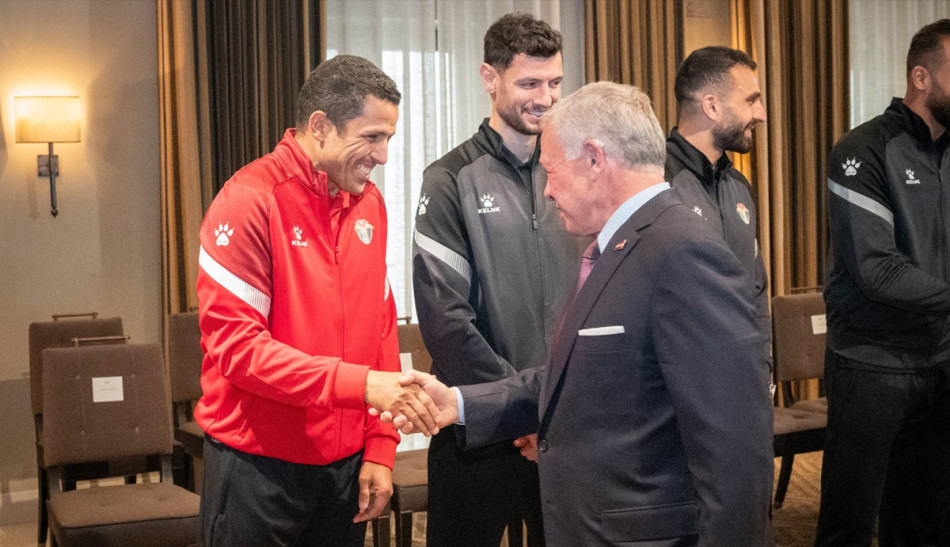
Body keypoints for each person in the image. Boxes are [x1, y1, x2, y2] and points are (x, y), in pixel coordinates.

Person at [393, 81, 775, 545]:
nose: (548, 191)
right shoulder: (617, 246)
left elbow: (735, 451)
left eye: (552, 171)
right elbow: (573, 378)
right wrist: (458, 403)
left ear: (594, 158)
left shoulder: (684, 253)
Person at [194, 54, 440, 546]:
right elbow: (238, 352)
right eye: (371, 137)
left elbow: (381, 328)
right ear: (321, 126)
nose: (383, 156)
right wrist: (361, 385)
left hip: (345, 471)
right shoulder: (249, 199)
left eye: (389, 138)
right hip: (258, 468)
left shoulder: (369, 202)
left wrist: (380, 446)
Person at [411, 12, 582, 546]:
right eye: (529, 83)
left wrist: (549, 410)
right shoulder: (447, 179)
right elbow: (446, 323)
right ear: (490, 78)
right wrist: (521, 411)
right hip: (476, 433)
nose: (546, 98)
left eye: (554, 82)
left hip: (562, 428)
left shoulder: (575, 173)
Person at [816, 19, 950, 547]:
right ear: (921, 77)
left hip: (940, 361)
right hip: (871, 365)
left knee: (923, 523)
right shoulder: (863, 151)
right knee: (848, 527)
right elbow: (877, 270)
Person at [665, 45, 772, 373]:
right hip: (682, 384)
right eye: (751, 101)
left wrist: (764, 368)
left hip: (742, 380)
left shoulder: (738, 185)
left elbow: (756, 289)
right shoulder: (655, 182)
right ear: (711, 106)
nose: (761, 114)